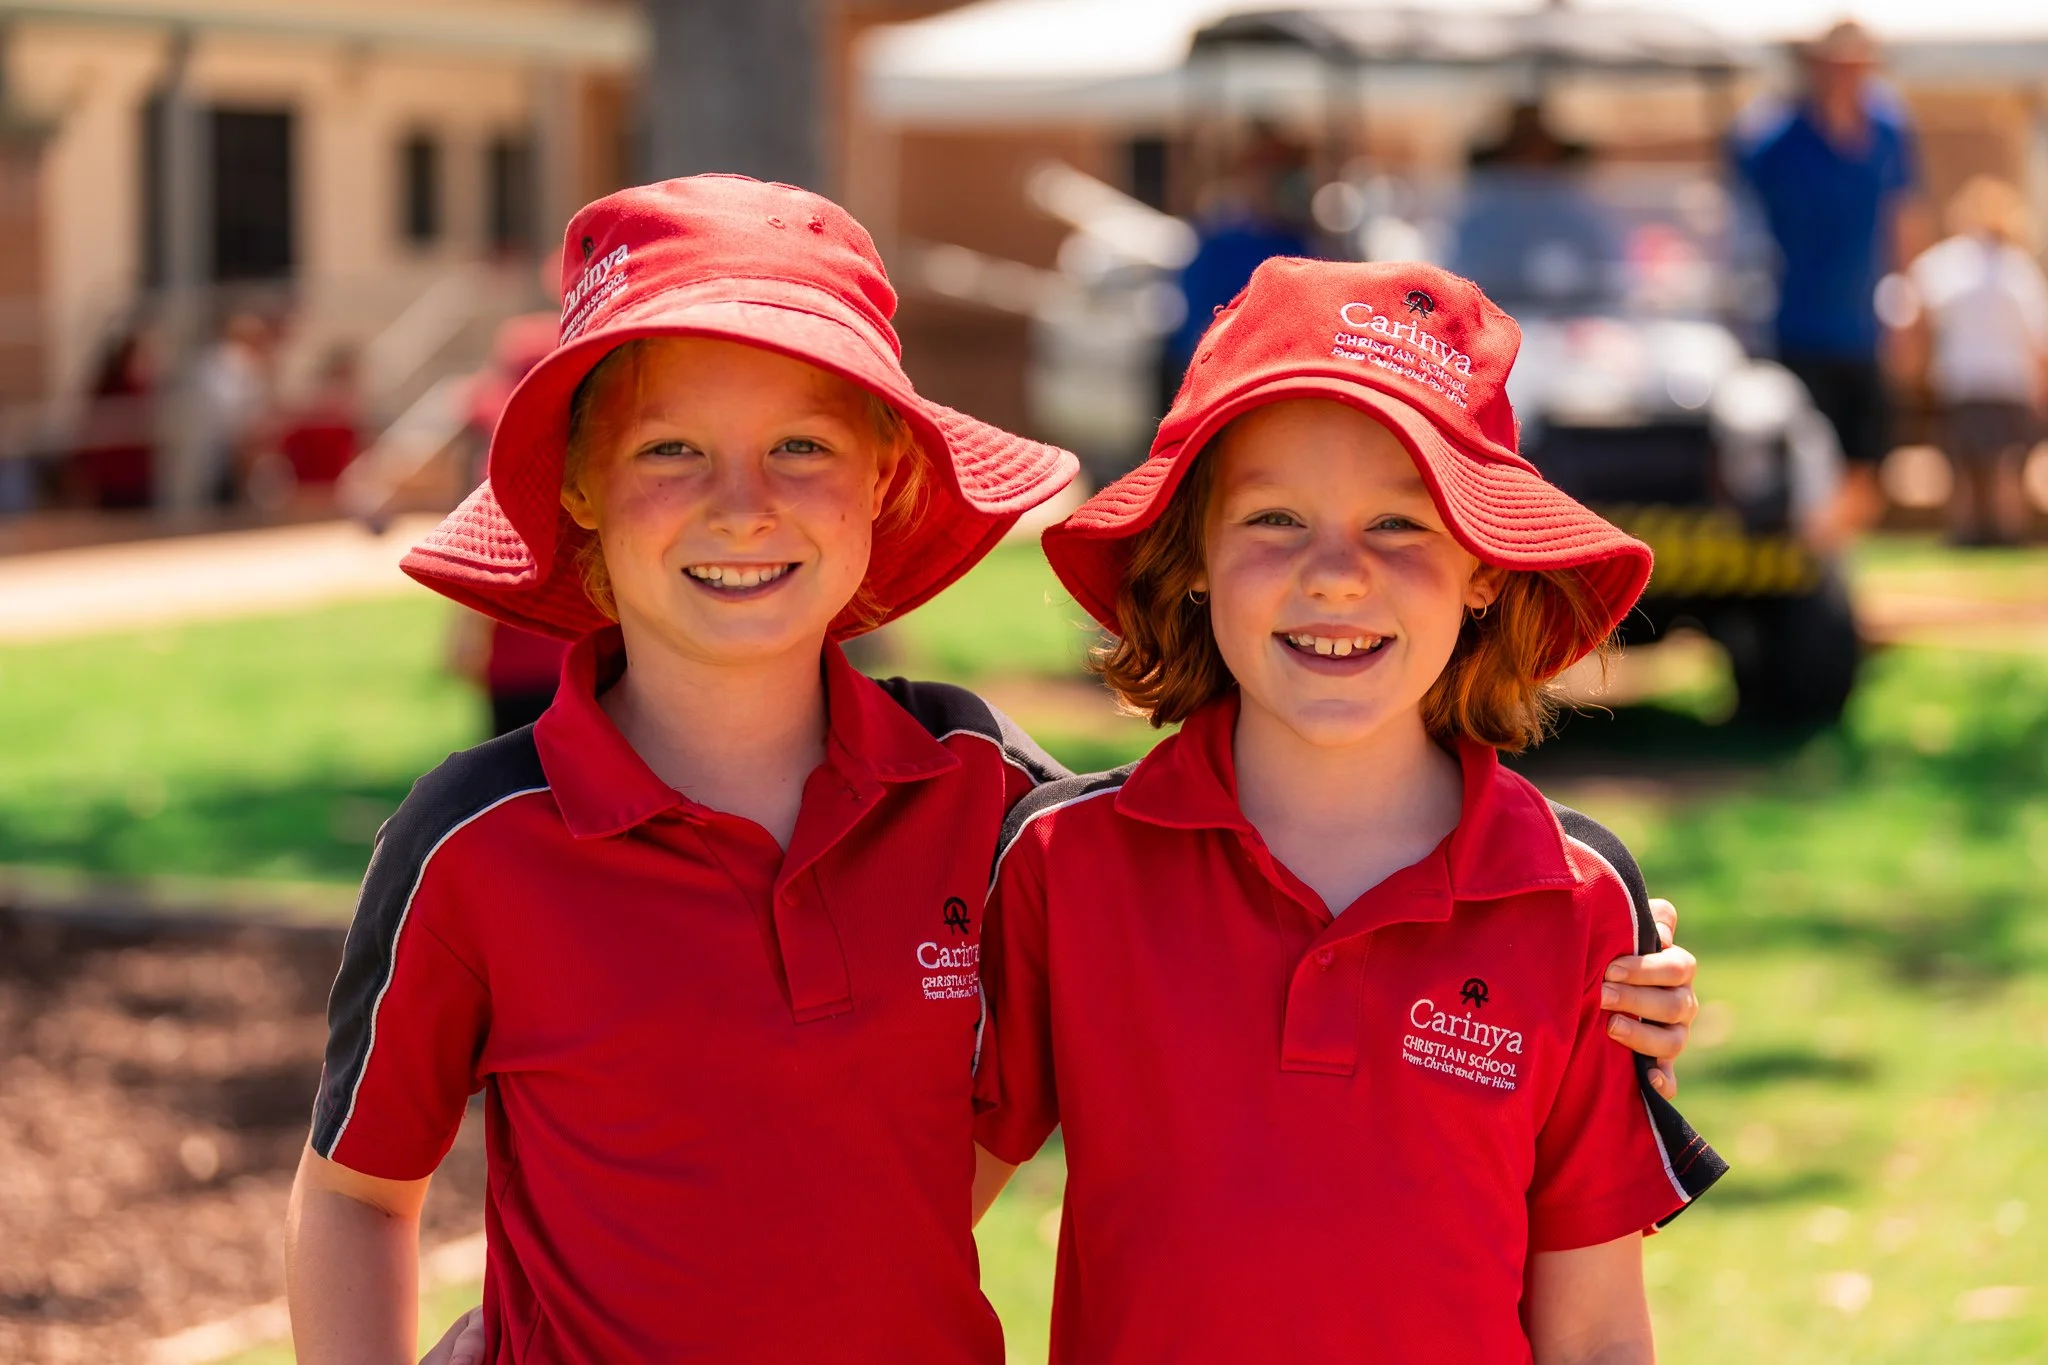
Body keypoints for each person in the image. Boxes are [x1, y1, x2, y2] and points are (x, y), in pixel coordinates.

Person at [295, 179, 1700, 1365]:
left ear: (884, 481)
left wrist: (1616, 974)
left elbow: (1588, 1306)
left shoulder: (993, 805)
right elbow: (368, 1190)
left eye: (801, 447)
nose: (744, 503)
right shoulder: (483, 845)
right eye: (673, 450)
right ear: (584, 494)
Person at [972, 259, 1724, 1361]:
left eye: (1399, 525)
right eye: (1274, 518)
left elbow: (1597, 1329)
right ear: (1193, 559)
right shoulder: (1062, 865)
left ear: (1482, 568)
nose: (1334, 575)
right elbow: (903, 1220)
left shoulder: (1572, 899)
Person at [1734, 20, 1921, 543]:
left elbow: (1901, 217)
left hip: (1862, 328)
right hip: (1793, 328)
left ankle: (1829, 562)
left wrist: (1906, 303)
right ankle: (1817, 573)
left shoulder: (1888, 128)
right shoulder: (1770, 138)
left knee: (1868, 464)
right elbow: (1739, 226)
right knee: (1805, 462)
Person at [1904, 175, 2047, 545]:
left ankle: (1967, 534)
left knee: (1964, 465)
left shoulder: (1949, 262)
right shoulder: (2019, 268)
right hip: (2008, 382)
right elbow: (2038, 337)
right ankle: (2007, 533)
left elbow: (1910, 305)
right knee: (2005, 465)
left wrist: (1918, 360)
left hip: (1963, 379)